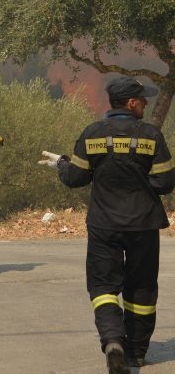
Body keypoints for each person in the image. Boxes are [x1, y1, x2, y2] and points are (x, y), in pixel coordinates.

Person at [39, 76, 174, 373]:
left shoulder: (92, 134)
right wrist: (141, 183)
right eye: (143, 99)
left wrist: (61, 164)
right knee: (142, 288)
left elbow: (75, 178)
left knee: (102, 286)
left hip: (104, 225)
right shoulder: (151, 136)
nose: (146, 103)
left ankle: (113, 340)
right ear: (132, 103)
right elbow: (165, 182)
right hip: (143, 225)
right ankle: (136, 352)